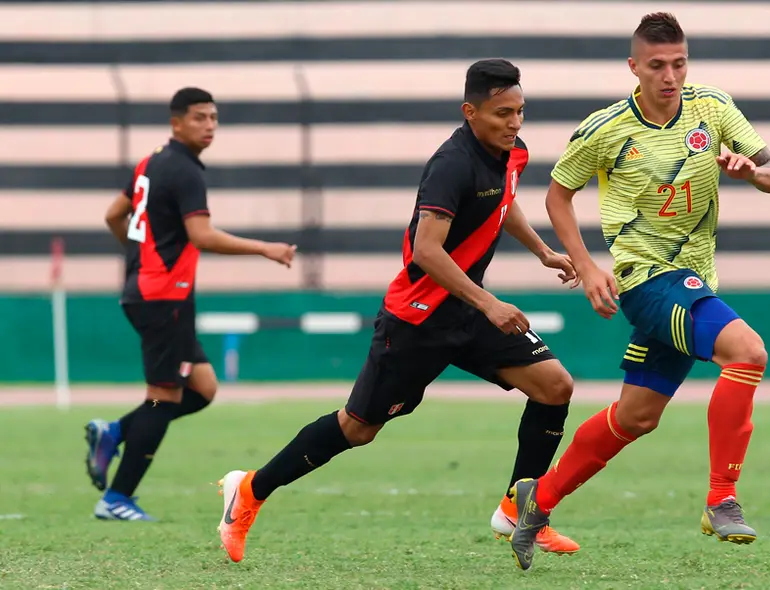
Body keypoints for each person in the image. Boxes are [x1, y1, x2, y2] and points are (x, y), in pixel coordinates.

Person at [215, 59, 584, 563]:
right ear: (470, 112)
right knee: (357, 428)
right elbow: (427, 252)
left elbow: (504, 201)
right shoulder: (451, 164)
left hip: (469, 312)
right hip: (419, 317)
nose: (514, 123)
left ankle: (520, 510)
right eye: (502, 114)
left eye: (520, 111)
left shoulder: (512, 152)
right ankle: (251, 489)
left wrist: (541, 251)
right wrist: (490, 302)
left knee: (555, 386)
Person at [507, 12, 770, 570]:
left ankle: (536, 500)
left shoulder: (712, 107)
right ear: (633, 67)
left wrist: (750, 173)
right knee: (748, 352)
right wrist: (588, 267)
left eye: (679, 63)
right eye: (657, 65)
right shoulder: (606, 128)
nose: (670, 75)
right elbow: (557, 196)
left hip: (695, 283)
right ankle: (721, 497)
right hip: (646, 280)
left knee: (636, 416)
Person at [85, 87, 297, 521]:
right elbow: (201, 236)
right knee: (163, 398)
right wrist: (264, 248)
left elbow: (112, 216)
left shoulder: (151, 161)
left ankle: (115, 432)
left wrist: (136, 254)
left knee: (202, 390)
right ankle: (116, 498)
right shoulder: (184, 171)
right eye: (200, 117)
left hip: (160, 294)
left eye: (214, 118)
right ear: (176, 122)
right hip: (162, 297)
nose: (209, 126)